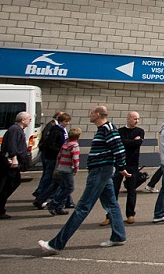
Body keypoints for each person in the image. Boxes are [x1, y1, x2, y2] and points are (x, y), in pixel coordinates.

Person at [38, 106, 130, 254]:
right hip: (101, 171)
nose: (89, 115)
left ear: (98, 114)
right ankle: (119, 236)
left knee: (83, 207)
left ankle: (56, 244)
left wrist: (121, 167)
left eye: (91, 113)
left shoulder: (108, 128)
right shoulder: (103, 129)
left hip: (100, 171)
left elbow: (119, 149)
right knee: (111, 204)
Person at [0, 112, 31, 219]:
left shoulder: (17, 130)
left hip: (13, 161)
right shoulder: (15, 130)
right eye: (29, 119)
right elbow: (11, 145)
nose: (30, 121)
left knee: (11, 184)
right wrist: (13, 157)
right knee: (10, 184)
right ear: (23, 120)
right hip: (11, 162)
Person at [101, 111, 144, 225]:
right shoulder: (119, 131)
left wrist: (128, 142)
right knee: (114, 190)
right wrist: (131, 141)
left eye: (138, 119)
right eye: (134, 119)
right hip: (119, 163)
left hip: (133, 164)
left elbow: (137, 144)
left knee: (131, 190)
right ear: (128, 119)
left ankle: (130, 215)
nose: (137, 121)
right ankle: (110, 216)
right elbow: (119, 144)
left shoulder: (140, 131)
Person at [33, 112, 71, 209]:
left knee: (58, 181)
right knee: (53, 179)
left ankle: (64, 201)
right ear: (61, 120)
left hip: (55, 157)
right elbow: (50, 144)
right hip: (53, 158)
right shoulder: (55, 130)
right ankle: (43, 197)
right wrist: (62, 150)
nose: (68, 123)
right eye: (66, 121)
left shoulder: (60, 129)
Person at [47, 127, 81, 216]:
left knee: (63, 187)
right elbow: (75, 158)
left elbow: (59, 156)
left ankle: (59, 207)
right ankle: (53, 203)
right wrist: (76, 168)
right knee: (70, 188)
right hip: (68, 169)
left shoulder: (65, 143)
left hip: (61, 167)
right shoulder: (75, 145)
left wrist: (59, 165)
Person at [32, 111, 62, 201]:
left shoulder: (54, 125)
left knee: (47, 175)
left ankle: (40, 191)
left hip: (48, 153)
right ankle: (41, 192)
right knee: (48, 175)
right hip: (49, 154)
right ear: (58, 117)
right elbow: (47, 139)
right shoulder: (52, 125)